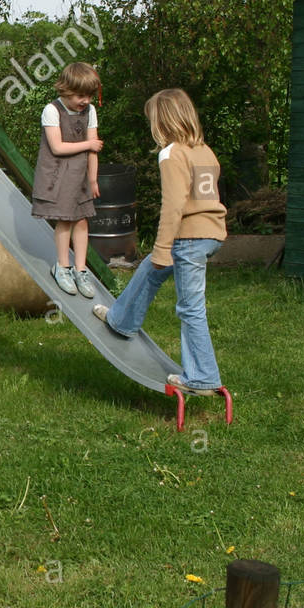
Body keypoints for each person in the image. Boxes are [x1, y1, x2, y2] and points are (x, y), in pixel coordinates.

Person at [92, 88, 227, 395]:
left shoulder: (171, 153)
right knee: (149, 271)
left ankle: (203, 376)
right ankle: (121, 319)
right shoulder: (204, 150)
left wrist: (163, 248)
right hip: (210, 233)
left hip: (189, 237)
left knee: (190, 308)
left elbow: (174, 205)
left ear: (162, 122)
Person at [31, 61, 103, 298]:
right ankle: (61, 266)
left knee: (82, 221)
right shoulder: (52, 110)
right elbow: (58, 146)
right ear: (66, 90)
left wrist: (92, 179)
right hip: (58, 175)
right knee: (65, 220)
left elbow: (93, 150)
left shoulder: (89, 112)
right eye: (81, 96)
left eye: (89, 96)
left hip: (80, 175)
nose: (86, 101)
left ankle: (81, 270)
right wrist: (89, 144)